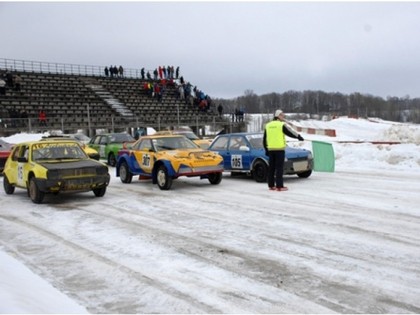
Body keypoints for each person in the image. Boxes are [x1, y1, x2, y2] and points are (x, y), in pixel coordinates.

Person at [263, 109, 304, 191]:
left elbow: (264, 139)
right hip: (279, 150)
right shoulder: (281, 125)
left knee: (271, 168)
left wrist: (266, 150)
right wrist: (298, 137)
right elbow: (290, 133)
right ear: (278, 115)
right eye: (282, 115)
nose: (283, 117)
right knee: (279, 168)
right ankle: (279, 186)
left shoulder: (268, 125)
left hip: (271, 150)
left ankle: (271, 185)